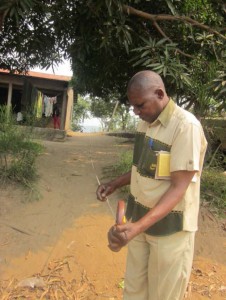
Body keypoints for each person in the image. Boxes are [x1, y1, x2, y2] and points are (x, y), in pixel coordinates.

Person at [96, 70, 207, 300]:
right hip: (139, 224)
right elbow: (142, 168)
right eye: (133, 107)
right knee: (134, 291)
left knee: (163, 295)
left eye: (140, 105)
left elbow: (179, 187)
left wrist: (136, 228)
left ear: (159, 93)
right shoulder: (145, 124)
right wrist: (115, 184)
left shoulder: (186, 127)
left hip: (169, 232)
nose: (136, 111)